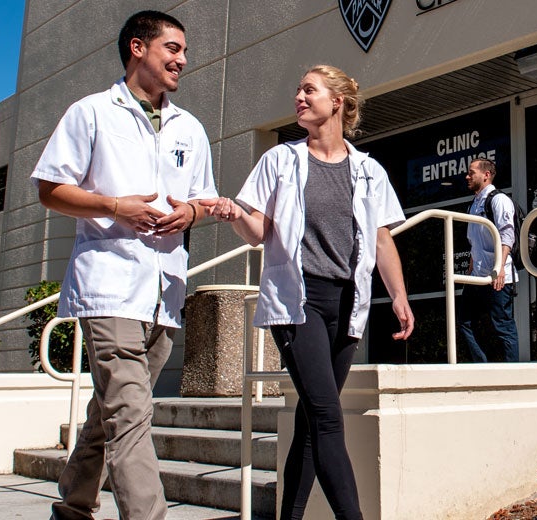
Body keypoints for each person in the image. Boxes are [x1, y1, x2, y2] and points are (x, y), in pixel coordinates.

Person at [31, 11, 223, 520]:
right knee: (132, 413)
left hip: (165, 290)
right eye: (173, 48)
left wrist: (191, 212)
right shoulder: (92, 113)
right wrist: (115, 206)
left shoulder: (191, 128)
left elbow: (204, 199)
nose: (183, 59)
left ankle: (72, 508)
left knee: (111, 413)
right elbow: (50, 189)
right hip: (110, 282)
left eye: (184, 51)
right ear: (138, 48)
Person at [203, 65, 414, 520]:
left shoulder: (368, 170)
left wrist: (398, 295)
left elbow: (381, 238)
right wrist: (234, 213)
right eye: (298, 89)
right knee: (327, 416)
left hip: (347, 302)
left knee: (312, 422)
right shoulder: (280, 161)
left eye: (309, 90)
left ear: (336, 102)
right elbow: (260, 231)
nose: (298, 96)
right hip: (298, 304)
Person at [458, 158, 520, 362]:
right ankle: (482, 367)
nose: (467, 176)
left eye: (471, 172)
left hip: (497, 276)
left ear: (486, 175)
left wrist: (499, 268)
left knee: (502, 326)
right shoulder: (474, 204)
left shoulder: (498, 200)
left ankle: (512, 375)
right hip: (477, 277)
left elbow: (507, 235)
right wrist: (469, 269)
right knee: (465, 322)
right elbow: (474, 242)